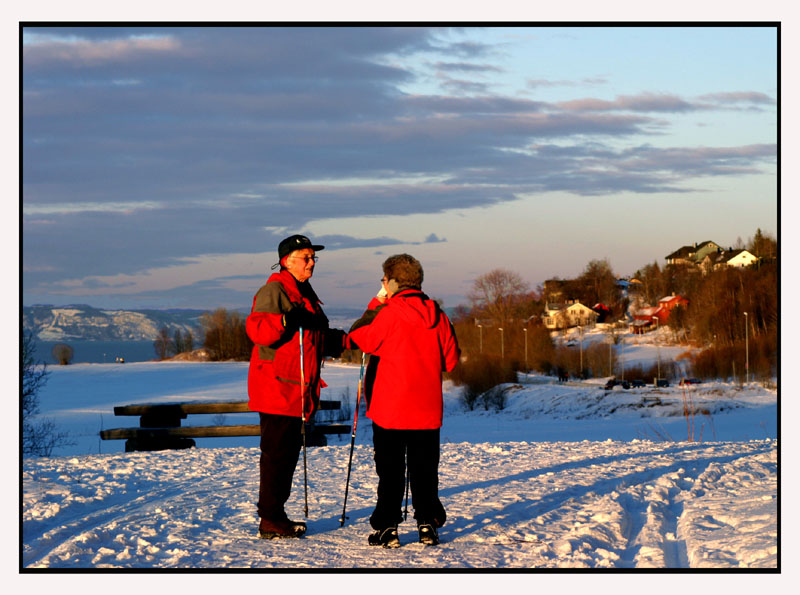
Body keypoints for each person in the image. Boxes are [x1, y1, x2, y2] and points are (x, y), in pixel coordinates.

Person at [347, 254, 460, 548]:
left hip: (390, 407)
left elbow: (361, 338)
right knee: (425, 469)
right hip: (426, 407)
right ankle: (427, 523)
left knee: (390, 470)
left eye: (385, 280)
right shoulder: (439, 315)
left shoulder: (389, 312)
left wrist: (377, 301)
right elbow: (451, 360)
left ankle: (388, 526)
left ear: (392, 282)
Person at [246, 234, 346, 539]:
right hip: (278, 386)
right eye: (306, 257)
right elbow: (258, 329)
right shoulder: (275, 289)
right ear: (287, 261)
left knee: (286, 454)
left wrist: (342, 340)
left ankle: (275, 515)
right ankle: (270, 518)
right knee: (278, 454)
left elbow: (313, 337)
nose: (312, 262)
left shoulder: (304, 293)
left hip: (297, 387)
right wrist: (287, 321)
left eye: (314, 257)